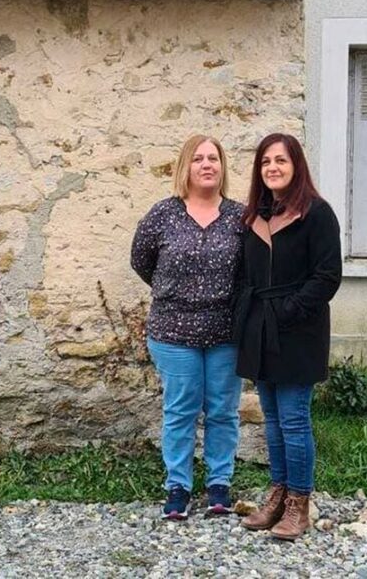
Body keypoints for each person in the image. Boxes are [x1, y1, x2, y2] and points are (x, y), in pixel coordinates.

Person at [130, 133, 245, 520]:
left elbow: (251, 270)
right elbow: (141, 260)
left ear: (223, 167)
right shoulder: (163, 214)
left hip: (227, 333)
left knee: (223, 411)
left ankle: (219, 484)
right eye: (198, 158)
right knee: (180, 410)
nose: (207, 164)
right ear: (186, 167)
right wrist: (173, 293)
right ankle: (177, 486)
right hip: (173, 332)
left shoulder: (240, 217)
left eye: (214, 158)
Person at [235, 132, 342, 541]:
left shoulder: (316, 214)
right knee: (274, 420)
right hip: (259, 328)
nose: (272, 168)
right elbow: (246, 274)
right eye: (265, 162)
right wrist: (249, 316)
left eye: (280, 160)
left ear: (296, 165)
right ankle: (278, 494)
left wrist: (290, 310)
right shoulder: (254, 217)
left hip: (299, 330)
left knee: (295, 419)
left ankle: (300, 502)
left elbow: (328, 275)